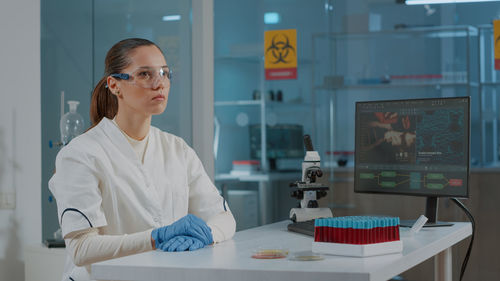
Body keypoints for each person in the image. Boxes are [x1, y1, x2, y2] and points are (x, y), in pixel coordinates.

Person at [49, 38, 236, 281]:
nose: (159, 84)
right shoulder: (80, 154)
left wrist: (208, 234)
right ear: (114, 85)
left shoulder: (177, 149)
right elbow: (82, 249)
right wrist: (156, 238)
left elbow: (224, 217)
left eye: (164, 73)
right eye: (145, 74)